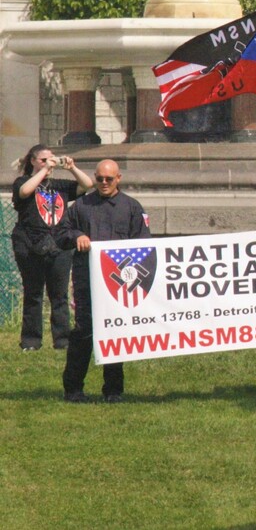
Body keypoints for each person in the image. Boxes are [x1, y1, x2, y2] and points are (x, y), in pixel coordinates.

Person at [56, 160, 150, 403]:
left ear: (118, 178)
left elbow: (143, 244)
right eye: (100, 179)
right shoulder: (81, 206)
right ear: (94, 179)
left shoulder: (131, 207)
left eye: (109, 179)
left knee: (114, 334)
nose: (104, 183)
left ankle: (113, 391)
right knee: (84, 332)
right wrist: (77, 235)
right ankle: (73, 389)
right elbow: (61, 233)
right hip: (86, 279)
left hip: (119, 285)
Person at [10, 144, 92, 351]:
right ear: (33, 161)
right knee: (33, 293)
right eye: (43, 160)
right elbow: (25, 191)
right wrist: (45, 171)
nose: (49, 163)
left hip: (60, 244)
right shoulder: (23, 182)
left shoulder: (60, 186)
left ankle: (62, 340)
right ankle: (31, 341)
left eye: (51, 159)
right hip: (30, 245)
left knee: (59, 295)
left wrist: (72, 167)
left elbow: (87, 185)